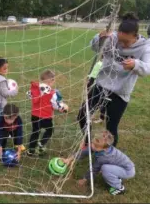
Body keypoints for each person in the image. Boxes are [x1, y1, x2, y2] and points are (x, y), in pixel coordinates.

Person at [77, 12, 150, 147]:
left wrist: (136, 64)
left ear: (135, 36)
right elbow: (94, 47)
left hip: (120, 93)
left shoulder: (145, 46)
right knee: (82, 115)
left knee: (111, 128)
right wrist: (99, 37)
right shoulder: (113, 38)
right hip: (101, 85)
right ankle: (87, 142)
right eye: (120, 40)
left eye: (126, 42)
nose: (122, 44)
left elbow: (147, 68)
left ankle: (108, 155)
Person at [63, 130, 135, 195]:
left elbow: (94, 169)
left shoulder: (104, 157)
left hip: (127, 171)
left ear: (104, 148)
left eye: (96, 147)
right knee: (104, 167)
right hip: (120, 167)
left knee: (105, 169)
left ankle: (119, 188)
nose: (92, 146)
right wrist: (70, 159)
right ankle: (116, 175)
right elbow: (84, 152)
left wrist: (84, 179)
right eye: (92, 143)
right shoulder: (99, 147)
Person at [27, 69, 68, 156]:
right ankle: (41, 144)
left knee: (35, 132)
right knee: (49, 131)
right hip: (45, 117)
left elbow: (29, 95)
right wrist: (63, 107)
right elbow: (55, 105)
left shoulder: (35, 88)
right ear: (51, 81)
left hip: (34, 115)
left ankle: (30, 150)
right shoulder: (52, 93)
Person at [87, 56, 106, 124]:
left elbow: (93, 76)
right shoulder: (107, 64)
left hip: (99, 86)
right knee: (102, 102)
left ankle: (90, 116)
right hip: (106, 86)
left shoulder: (99, 64)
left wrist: (88, 85)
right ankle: (99, 117)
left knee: (93, 100)